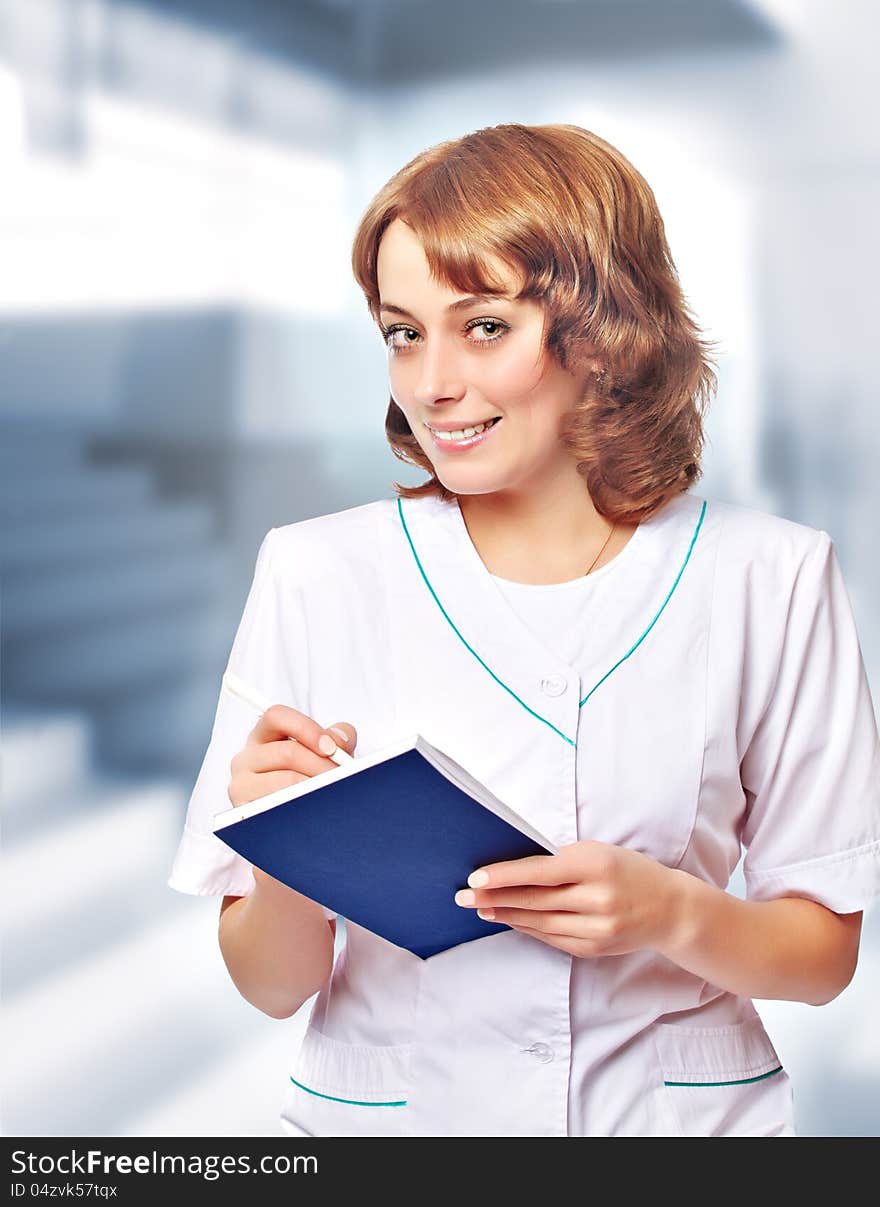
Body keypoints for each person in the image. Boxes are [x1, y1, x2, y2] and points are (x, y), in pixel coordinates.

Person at [167, 123, 880, 1137]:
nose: (430, 383)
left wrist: (669, 913)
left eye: (484, 326)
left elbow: (823, 959)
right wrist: (283, 846)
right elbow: (270, 985)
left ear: (603, 330)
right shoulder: (319, 572)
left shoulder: (770, 576)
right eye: (403, 331)